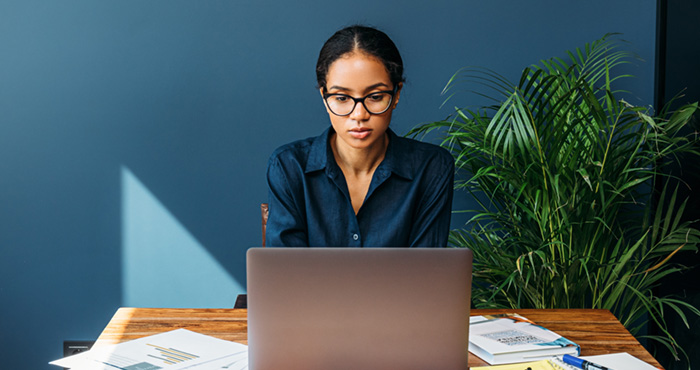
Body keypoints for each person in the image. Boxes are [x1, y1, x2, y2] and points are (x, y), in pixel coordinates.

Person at [265, 25, 454, 247]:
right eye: (342, 98)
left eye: (375, 96)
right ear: (325, 98)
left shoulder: (432, 168)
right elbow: (286, 274)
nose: (359, 115)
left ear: (396, 94)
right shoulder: (288, 167)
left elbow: (426, 272)